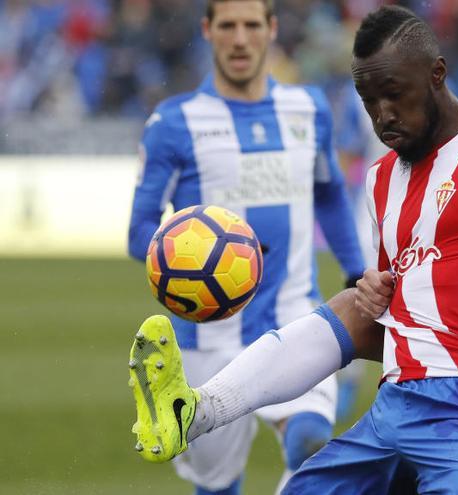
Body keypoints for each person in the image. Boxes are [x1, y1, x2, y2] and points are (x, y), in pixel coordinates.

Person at [127, 5, 458, 495]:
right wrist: (384, 295)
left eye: (395, 94)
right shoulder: (381, 181)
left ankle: (199, 411)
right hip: (392, 411)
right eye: (368, 100)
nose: (382, 115)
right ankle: (195, 412)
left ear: (437, 75)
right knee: (352, 310)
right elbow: (416, 316)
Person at [126, 1, 364, 494]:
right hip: (206, 337)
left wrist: (354, 270)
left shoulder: (309, 109)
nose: (240, 39)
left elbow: (330, 195)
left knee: (311, 445)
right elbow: (139, 229)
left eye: (252, 25)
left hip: (294, 317)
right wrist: (178, 260)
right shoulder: (174, 122)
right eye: (228, 26)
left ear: (271, 29)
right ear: (207, 31)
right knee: (217, 485)